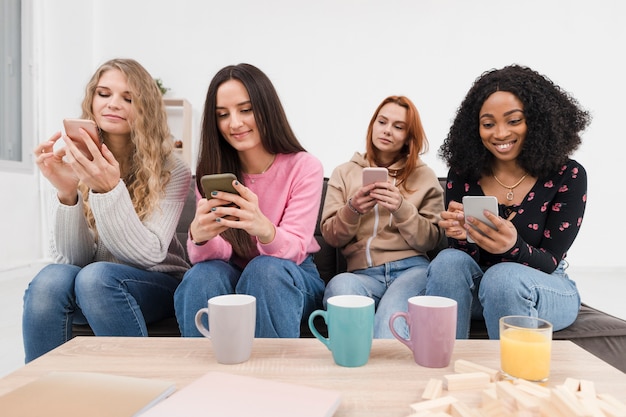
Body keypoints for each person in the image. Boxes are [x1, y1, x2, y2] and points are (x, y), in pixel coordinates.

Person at [23, 58, 191, 362]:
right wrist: (67, 192)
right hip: (94, 284)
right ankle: (42, 395)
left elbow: (148, 254)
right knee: (51, 278)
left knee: (96, 278)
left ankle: (135, 390)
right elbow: (73, 260)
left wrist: (107, 189)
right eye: (104, 94)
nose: (114, 104)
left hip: (155, 283)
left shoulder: (172, 170)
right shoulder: (75, 161)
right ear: (91, 100)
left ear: (146, 109)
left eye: (128, 98)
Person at [425, 64, 590, 339]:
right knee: (448, 260)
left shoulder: (568, 175)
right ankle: (444, 367)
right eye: (488, 124)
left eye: (513, 121)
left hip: (544, 289)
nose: (500, 134)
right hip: (482, 289)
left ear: (537, 121)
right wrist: (461, 235)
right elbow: (465, 261)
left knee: (502, 277)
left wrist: (514, 247)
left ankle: (513, 379)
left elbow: (550, 261)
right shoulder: (463, 174)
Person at [174, 63, 325, 338]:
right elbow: (211, 257)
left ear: (266, 108)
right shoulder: (212, 173)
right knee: (202, 276)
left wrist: (264, 229)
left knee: (264, 270)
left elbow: (297, 249)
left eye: (245, 110)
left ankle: (272, 378)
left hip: (291, 275)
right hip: (231, 270)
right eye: (223, 114)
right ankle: (200, 376)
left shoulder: (305, 167)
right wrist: (200, 237)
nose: (234, 123)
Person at [320, 95, 444, 338]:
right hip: (362, 274)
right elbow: (331, 237)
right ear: (372, 125)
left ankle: (387, 376)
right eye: (382, 122)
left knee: (389, 322)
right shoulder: (344, 173)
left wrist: (401, 207)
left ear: (409, 137)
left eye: (398, 127)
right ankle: (352, 366)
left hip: (413, 270)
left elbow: (431, 240)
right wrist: (352, 209)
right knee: (339, 289)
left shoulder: (424, 176)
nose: (387, 131)